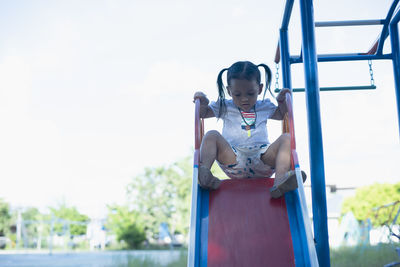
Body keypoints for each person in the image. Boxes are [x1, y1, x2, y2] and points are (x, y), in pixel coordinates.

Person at [193, 61, 305, 198]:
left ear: (260, 88)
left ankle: (280, 181)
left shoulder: (264, 106)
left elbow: (282, 115)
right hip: (233, 159)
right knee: (211, 135)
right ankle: (204, 173)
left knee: (287, 138)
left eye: (251, 93)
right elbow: (203, 114)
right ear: (229, 91)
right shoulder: (225, 106)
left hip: (263, 159)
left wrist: (282, 102)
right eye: (237, 95)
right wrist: (203, 103)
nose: (244, 99)